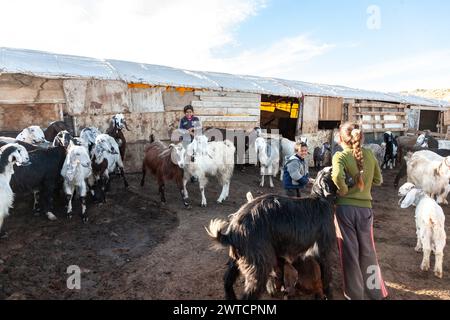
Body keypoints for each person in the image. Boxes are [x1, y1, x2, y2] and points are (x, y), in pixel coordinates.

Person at [331, 122, 389, 300]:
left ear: (341, 138)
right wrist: (364, 184)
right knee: (368, 251)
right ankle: (374, 291)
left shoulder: (339, 156)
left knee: (350, 250)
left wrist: (344, 190)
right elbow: (378, 180)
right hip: (365, 210)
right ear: (360, 137)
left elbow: (336, 177)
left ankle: (355, 294)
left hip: (344, 210)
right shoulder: (370, 154)